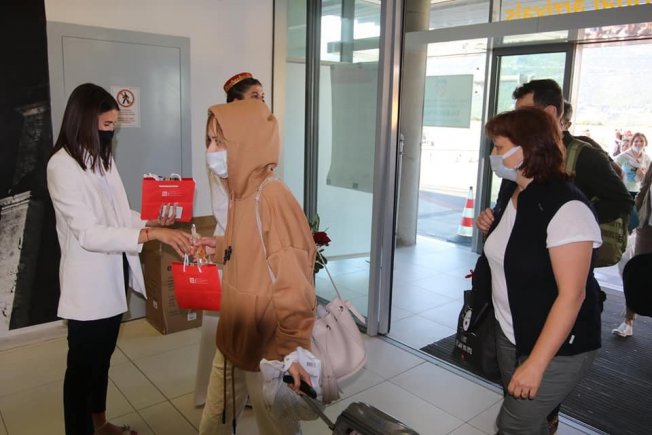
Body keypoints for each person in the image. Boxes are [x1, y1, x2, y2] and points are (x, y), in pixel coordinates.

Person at [46, 83, 192, 435]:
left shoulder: (101, 159)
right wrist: (151, 235)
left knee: (102, 362)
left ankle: (100, 423)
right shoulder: (61, 166)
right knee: (81, 371)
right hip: (87, 288)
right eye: (106, 126)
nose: (110, 134)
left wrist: (150, 222)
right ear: (84, 122)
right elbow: (88, 232)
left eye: (113, 127)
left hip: (113, 278)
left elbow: (119, 214)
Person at [196, 99, 316, 435]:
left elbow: (295, 283)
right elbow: (247, 249)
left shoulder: (272, 196)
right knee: (214, 421)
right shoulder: (238, 192)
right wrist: (219, 247)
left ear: (245, 142)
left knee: (276, 427)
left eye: (219, 142)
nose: (210, 150)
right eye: (209, 141)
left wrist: (292, 350)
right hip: (234, 333)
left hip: (268, 344)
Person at [483, 108, 602, 435]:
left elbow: (572, 295)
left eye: (499, 146)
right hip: (512, 332)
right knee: (529, 422)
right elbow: (521, 252)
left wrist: (536, 363)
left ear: (528, 150)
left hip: (557, 347)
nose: (493, 154)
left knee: (513, 425)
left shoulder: (567, 207)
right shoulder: (517, 192)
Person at [193, 72, 267, 407]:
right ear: (236, 104)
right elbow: (228, 208)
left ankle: (239, 391)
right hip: (233, 243)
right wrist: (241, 245)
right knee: (230, 325)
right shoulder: (224, 151)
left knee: (240, 326)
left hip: (246, 243)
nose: (261, 102)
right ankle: (228, 392)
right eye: (254, 96)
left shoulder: (257, 140)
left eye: (263, 96)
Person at [613, 160, 652, 337]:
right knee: (638, 273)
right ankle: (628, 320)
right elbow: (644, 189)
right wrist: (633, 219)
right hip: (647, 226)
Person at [614, 132, 650, 198]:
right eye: (636, 141)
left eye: (642, 141)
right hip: (624, 190)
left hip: (640, 191)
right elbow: (613, 168)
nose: (639, 143)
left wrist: (643, 174)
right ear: (632, 143)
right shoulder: (624, 156)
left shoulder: (647, 158)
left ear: (645, 143)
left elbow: (649, 176)